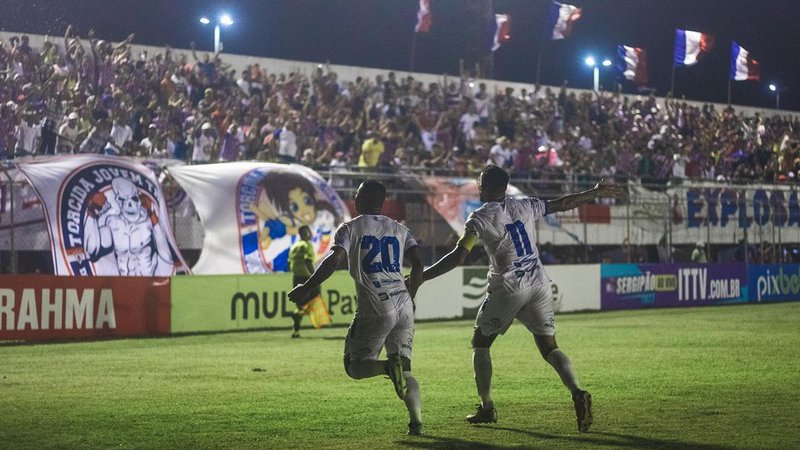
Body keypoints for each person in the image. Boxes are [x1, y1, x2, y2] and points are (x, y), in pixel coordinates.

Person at [419, 165, 624, 432]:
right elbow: (562, 204)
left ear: (488, 188)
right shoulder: (525, 205)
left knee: (481, 343)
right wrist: (593, 193)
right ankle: (577, 391)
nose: (479, 188)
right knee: (549, 347)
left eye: (481, 184)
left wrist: (422, 277)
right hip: (538, 283)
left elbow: (459, 256)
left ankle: (487, 408)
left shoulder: (479, 218)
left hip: (509, 285)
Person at [288, 180, 426, 436]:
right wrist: (412, 294)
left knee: (354, 365)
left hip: (375, 305)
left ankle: (387, 367)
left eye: (356, 195)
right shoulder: (400, 229)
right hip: (404, 302)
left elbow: (333, 260)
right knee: (406, 369)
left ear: (360, 200)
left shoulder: (350, 228)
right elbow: (419, 263)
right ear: (382, 202)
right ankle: (416, 421)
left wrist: (306, 287)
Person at [289, 225, 327, 338]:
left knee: (300, 304)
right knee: (315, 299)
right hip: (307, 278)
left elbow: (289, 263)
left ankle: (296, 328)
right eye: (309, 232)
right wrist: (315, 277)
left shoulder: (294, 247)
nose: (310, 234)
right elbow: (308, 261)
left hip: (296, 277)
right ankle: (319, 321)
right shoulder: (307, 246)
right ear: (306, 234)